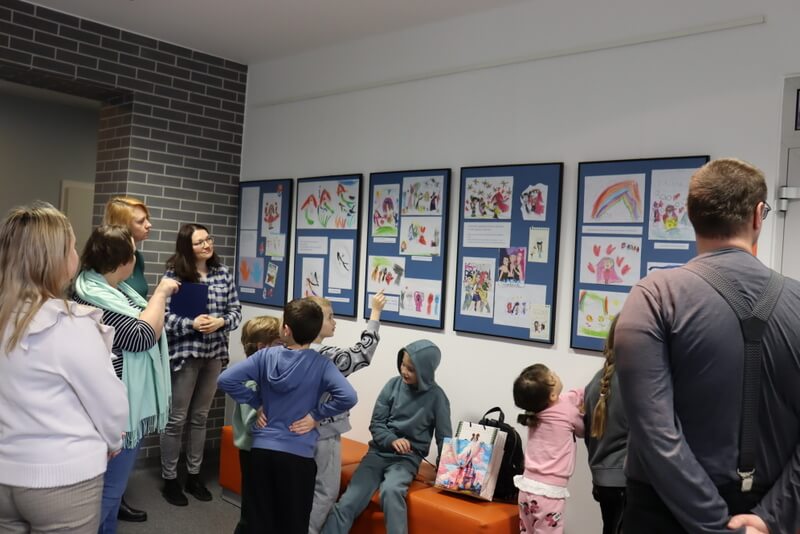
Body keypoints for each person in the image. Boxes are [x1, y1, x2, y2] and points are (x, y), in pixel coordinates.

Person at [615, 158, 800, 533]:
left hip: (664, 514)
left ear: (690, 214)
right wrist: (770, 518)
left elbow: (654, 431)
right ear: (758, 215)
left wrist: (715, 526)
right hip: (766, 517)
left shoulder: (653, 297)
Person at [0, 203, 128, 533]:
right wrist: (113, 441)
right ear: (55, 259)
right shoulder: (71, 325)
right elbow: (110, 406)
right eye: (72, 247)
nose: (76, 254)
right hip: (63, 481)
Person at [73, 224, 179, 534]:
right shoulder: (90, 296)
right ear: (124, 261)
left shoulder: (113, 290)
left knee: (112, 488)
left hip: (123, 403)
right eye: (133, 254)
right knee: (109, 489)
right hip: (115, 409)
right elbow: (141, 336)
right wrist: (161, 293)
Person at [217, 299, 357, 534]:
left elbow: (225, 380)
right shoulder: (322, 364)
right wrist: (316, 416)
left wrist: (256, 403)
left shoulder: (265, 356)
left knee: (258, 521)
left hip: (262, 453)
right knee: (293, 523)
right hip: (297, 458)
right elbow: (348, 396)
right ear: (315, 332)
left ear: (286, 330)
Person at [322, 339, 452, 534]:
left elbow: (445, 439)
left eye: (411, 369)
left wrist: (446, 474)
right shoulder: (392, 385)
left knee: (391, 491)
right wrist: (392, 440)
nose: (404, 371)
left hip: (407, 460)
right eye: (403, 365)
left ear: (425, 370)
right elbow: (376, 424)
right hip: (377, 454)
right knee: (348, 501)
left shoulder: (438, 398)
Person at [160, 223, 242, 506]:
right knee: (176, 418)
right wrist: (190, 324)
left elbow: (236, 311)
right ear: (187, 247)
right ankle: (170, 479)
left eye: (208, 239)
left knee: (200, 417)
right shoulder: (174, 275)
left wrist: (221, 321)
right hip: (185, 354)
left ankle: (193, 475)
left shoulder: (223, 273)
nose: (207, 245)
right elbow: (163, 316)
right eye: (199, 242)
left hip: (214, 353)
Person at [306, 290, 386, 534]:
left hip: (295, 434)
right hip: (323, 434)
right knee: (324, 492)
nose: (335, 322)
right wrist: (375, 312)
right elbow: (362, 353)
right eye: (330, 317)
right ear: (314, 323)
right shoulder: (325, 357)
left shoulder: (287, 351)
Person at [103, 196, 154, 523]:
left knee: (127, 442)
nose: (148, 225)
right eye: (140, 220)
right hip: (120, 357)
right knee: (118, 439)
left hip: (137, 355)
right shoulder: (100, 273)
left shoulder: (140, 259)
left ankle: (115, 499)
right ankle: (109, 502)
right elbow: (133, 327)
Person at [512, 364, 584, 534]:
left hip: (526, 487)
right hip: (549, 494)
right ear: (552, 395)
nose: (555, 373)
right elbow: (582, 431)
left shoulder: (535, 410)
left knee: (527, 531)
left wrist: (582, 394)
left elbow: (571, 396)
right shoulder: (568, 412)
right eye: (552, 376)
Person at [232, 315, 283, 534]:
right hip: (253, 451)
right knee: (253, 508)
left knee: (261, 505)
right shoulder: (252, 379)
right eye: (279, 344)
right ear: (263, 347)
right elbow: (252, 422)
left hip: (260, 450)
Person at [583, 316, 627, 534]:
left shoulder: (596, 382)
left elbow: (589, 436)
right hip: (626, 482)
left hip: (602, 481)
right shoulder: (633, 383)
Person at [103, 196, 153, 300]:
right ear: (122, 226)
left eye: (147, 219)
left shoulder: (137, 257)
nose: (149, 225)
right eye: (141, 221)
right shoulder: (103, 260)